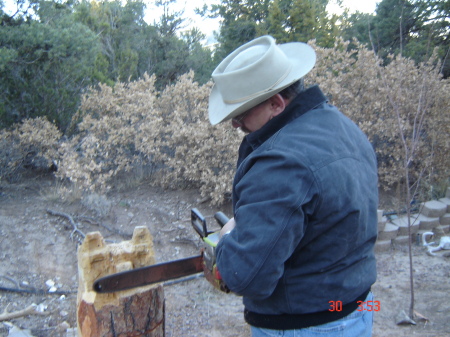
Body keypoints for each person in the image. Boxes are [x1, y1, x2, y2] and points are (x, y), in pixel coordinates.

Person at [208, 35, 378, 336]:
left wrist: (227, 238)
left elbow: (245, 276)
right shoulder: (340, 125)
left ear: (276, 103)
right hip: (356, 308)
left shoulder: (280, 163)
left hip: (305, 325)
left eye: (240, 113)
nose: (235, 124)